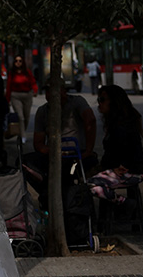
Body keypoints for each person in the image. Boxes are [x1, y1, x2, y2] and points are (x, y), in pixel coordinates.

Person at [22, 82, 97, 210]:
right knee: (24, 163)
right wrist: (50, 150)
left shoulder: (77, 102)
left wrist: (88, 150)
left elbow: (90, 120)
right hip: (54, 155)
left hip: (76, 154)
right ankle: (47, 192)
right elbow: (38, 143)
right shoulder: (43, 111)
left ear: (63, 91)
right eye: (48, 91)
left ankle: (59, 199)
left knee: (68, 172)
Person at [86, 85, 143, 204]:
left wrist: (120, 166)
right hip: (121, 169)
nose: (99, 104)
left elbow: (126, 152)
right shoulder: (114, 123)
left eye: (102, 100)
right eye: (98, 100)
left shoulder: (122, 126)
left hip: (131, 171)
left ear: (113, 102)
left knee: (91, 184)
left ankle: (124, 203)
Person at [5, 55, 38, 144]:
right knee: (20, 117)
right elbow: (9, 87)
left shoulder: (27, 72)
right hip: (15, 95)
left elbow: (33, 82)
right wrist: (7, 100)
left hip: (27, 95)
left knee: (26, 116)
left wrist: (35, 90)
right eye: (16, 61)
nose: (18, 63)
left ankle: (22, 131)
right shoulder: (12, 73)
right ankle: (23, 135)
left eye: (20, 61)